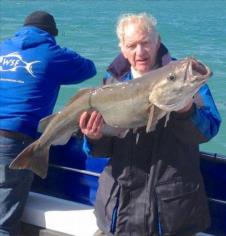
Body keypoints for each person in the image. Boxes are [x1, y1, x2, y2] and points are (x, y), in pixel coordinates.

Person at [79, 13, 221, 236]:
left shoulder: (186, 78)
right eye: (132, 45)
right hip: (117, 212)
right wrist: (94, 137)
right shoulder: (110, 83)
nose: (140, 52)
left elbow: (209, 130)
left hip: (170, 217)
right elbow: (100, 152)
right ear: (122, 49)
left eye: (145, 43)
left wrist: (185, 110)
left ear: (158, 41)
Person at [0, 10, 96, 236]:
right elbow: (89, 68)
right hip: (14, 142)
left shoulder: (3, 47)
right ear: (51, 35)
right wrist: (59, 50)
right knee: (4, 224)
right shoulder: (53, 54)